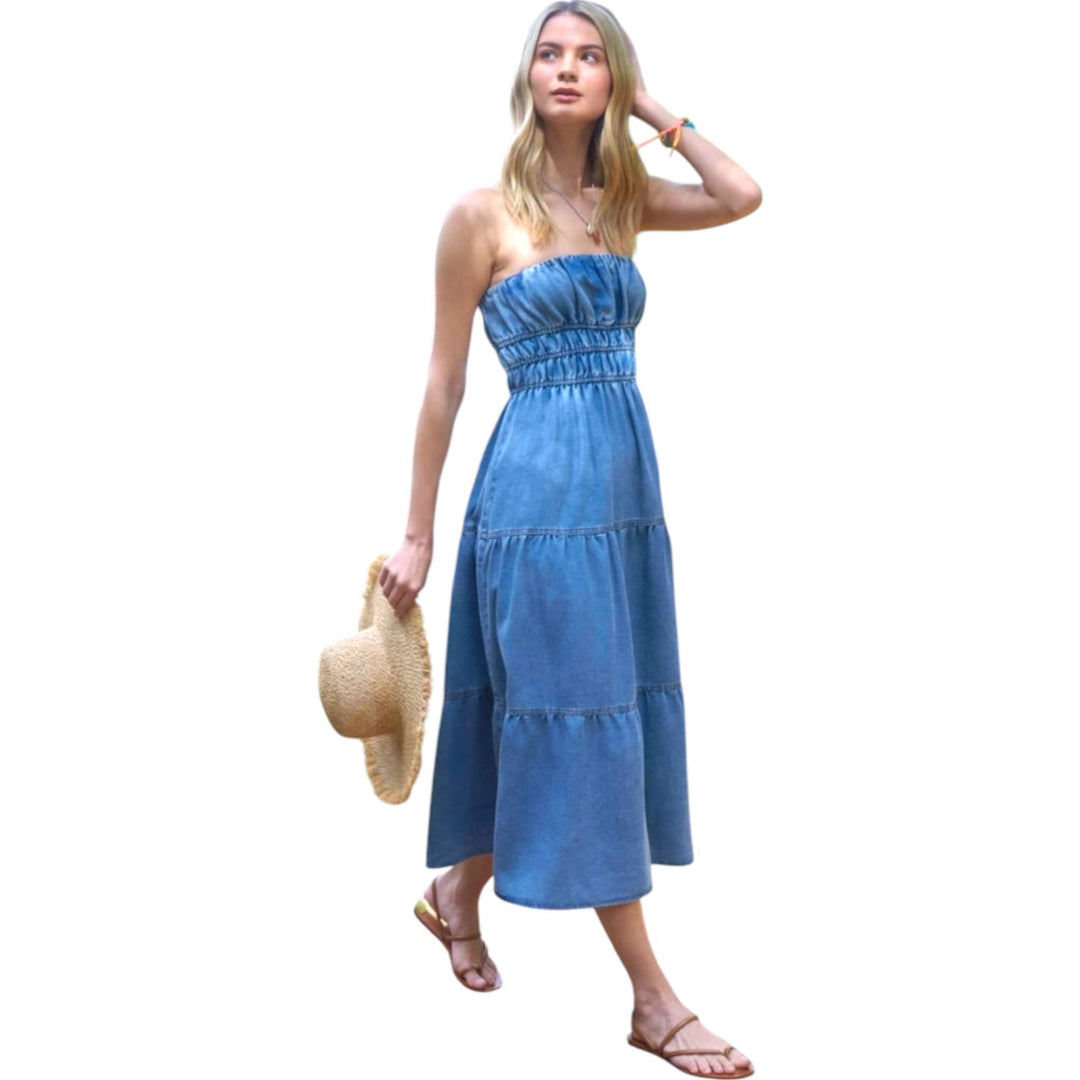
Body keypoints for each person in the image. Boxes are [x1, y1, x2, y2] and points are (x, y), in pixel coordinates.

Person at [379, 3, 762, 1076]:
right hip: (536, 508)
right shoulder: (479, 217)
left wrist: (653, 109)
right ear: (526, 76)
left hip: (621, 502)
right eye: (550, 52)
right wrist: (416, 535)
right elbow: (443, 384)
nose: (567, 68)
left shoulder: (622, 203)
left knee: (575, 709)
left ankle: (458, 889)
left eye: (591, 58)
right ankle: (653, 999)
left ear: (613, 83)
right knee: (578, 719)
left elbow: (742, 194)